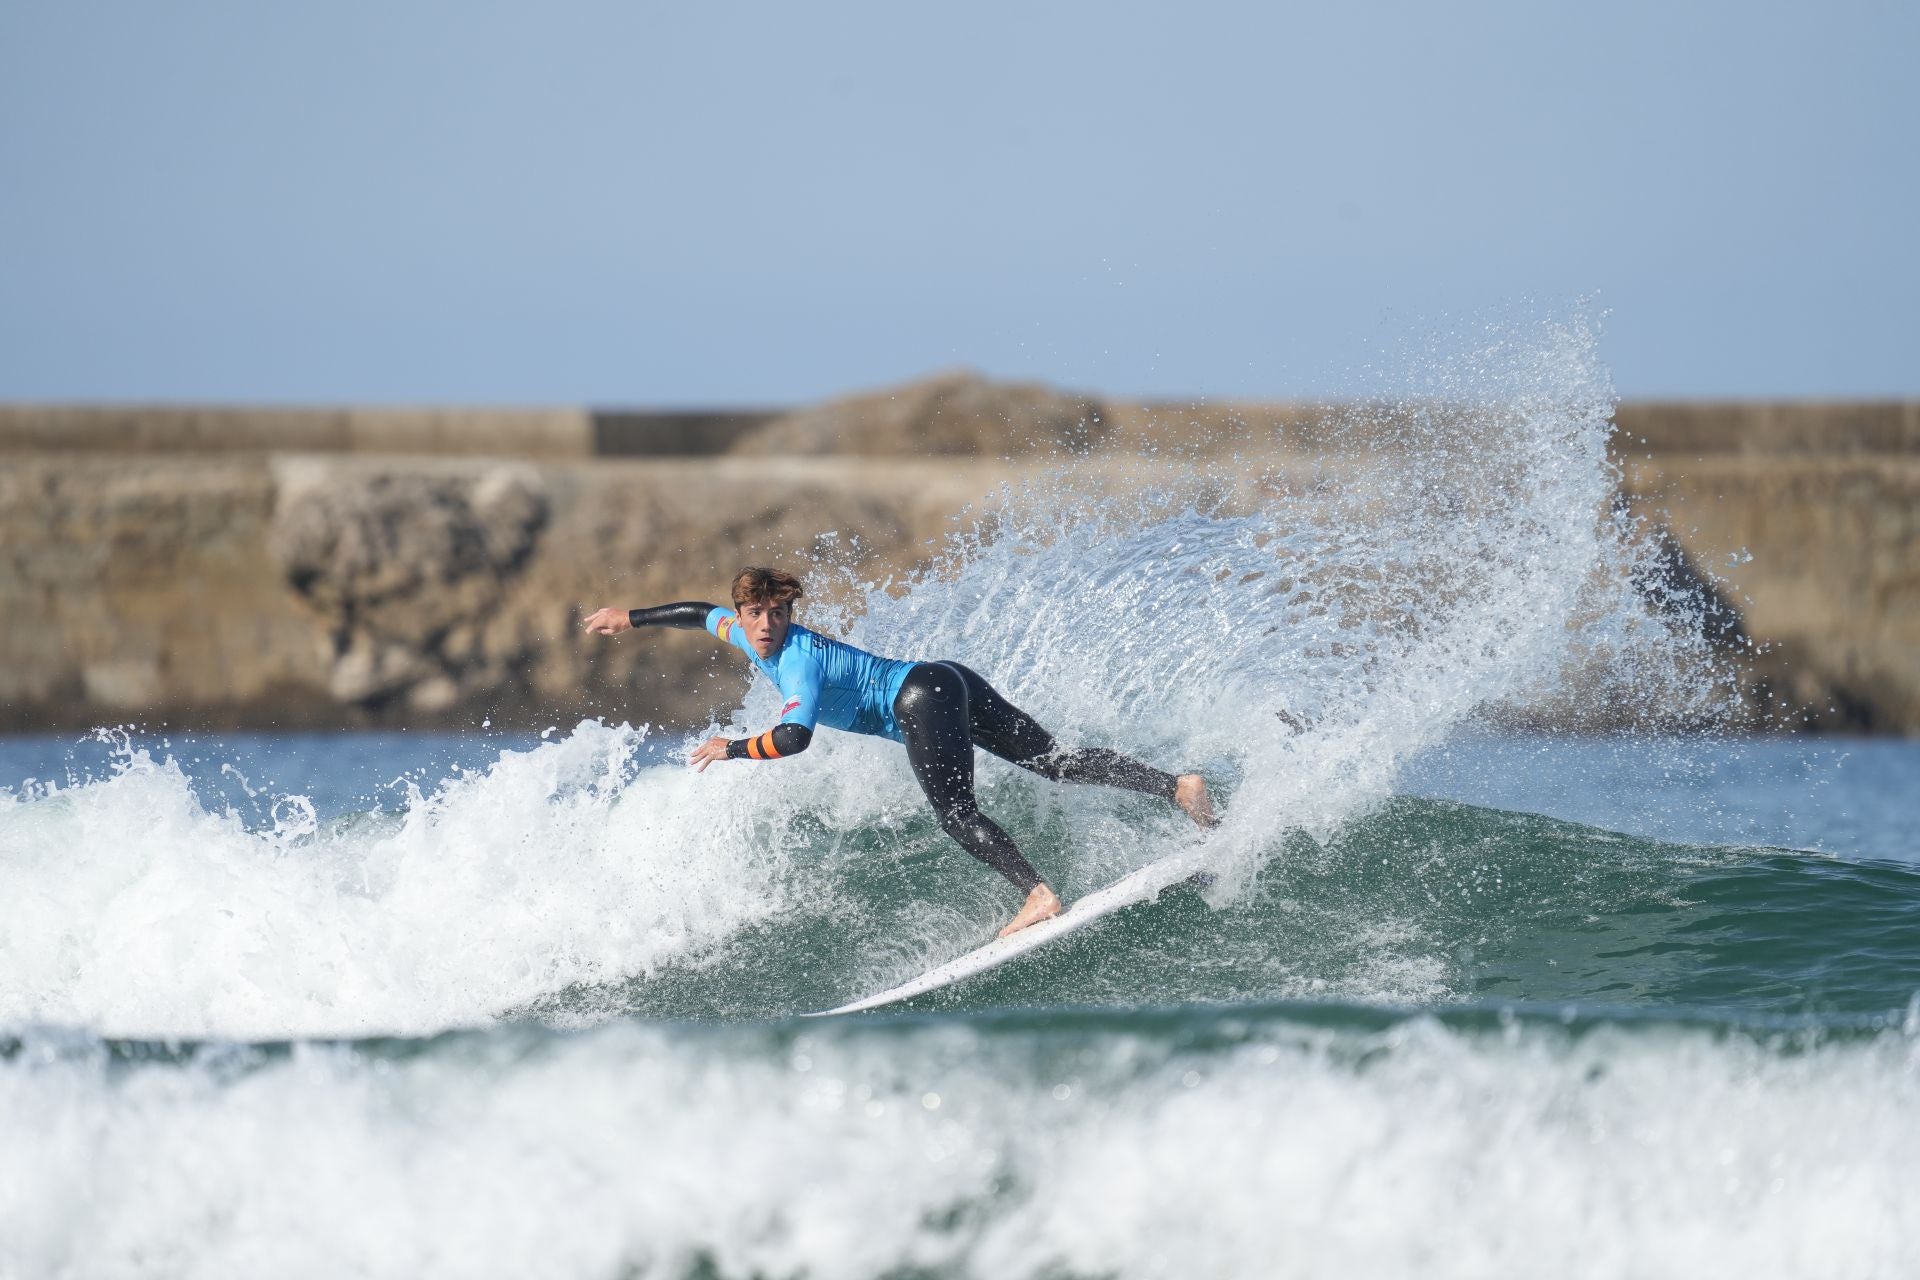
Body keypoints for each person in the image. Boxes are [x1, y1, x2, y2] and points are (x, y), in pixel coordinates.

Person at [583, 567, 1216, 937]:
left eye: (779, 613)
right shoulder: (744, 634)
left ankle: (1040, 894)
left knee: (957, 814)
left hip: (919, 698)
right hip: (945, 677)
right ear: (744, 615)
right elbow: (698, 614)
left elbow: (796, 738)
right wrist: (630, 617)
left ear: (789, 613)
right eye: (757, 613)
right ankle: (1178, 786)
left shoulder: (797, 662)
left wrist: (733, 748)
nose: (767, 624)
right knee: (1056, 762)